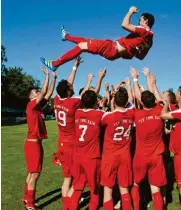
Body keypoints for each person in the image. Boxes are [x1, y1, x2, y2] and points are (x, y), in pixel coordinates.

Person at [40, 6, 154, 71]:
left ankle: (55, 64)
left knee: (82, 46)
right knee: (88, 41)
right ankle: (66, 36)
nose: (138, 21)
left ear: (146, 21)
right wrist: (131, 50)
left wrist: (130, 12)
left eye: (140, 19)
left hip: (112, 48)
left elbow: (124, 25)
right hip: (113, 51)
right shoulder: (149, 41)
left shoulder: (144, 31)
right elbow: (140, 57)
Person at [130, 68, 166, 210]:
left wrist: (135, 79)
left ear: (141, 102)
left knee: (136, 184)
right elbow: (154, 97)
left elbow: (138, 96)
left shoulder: (137, 115)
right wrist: (149, 78)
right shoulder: (159, 111)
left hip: (140, 156)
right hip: (156, 157)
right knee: (155, 188)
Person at [23, 67, 57, 210]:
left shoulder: (37, 106)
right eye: (35, 92)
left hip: (35, 143)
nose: (38, 93)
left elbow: (48, 94)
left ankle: (26, 198)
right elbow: (43, 92)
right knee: (35, 174)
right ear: (31, 96)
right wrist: (47, 76)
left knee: (32, 172)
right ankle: (30, 204)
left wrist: (54, 78)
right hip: (33, 144)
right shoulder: (31, 104)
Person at [53, 57, 83, 210]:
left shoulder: (56, 101)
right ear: (68, 91)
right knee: (77, 179)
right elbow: (91, 96)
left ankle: (66, 207)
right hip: (72, 144)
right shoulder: (73, 102)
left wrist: (74, 67)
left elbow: (66, 85)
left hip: (61, 143)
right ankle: (70, 207)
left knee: (66, 179)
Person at [69, 90, 105, 210]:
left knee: (78, 186)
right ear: (95, 102)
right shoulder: (99, 114)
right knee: (95, 189)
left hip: (78, 156)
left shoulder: (77, 113)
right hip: (92, 157)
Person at [101, 87, 134, 210]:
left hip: (109, 157)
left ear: (114, 101)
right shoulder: (131, 114)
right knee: (124, 190)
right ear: (126, 101)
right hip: (125, 156)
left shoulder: (107, 117)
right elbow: (131, 103)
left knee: (108, 190)